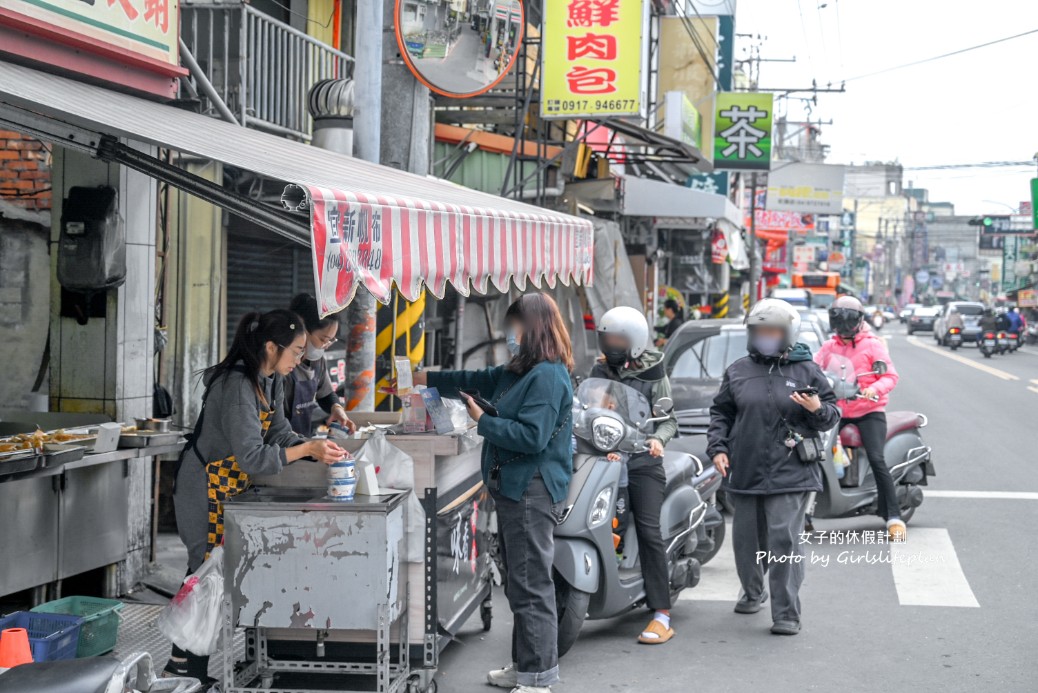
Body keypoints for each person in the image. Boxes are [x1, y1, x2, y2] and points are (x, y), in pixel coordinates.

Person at [163, 310, 347, 682]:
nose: (299, 359)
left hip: (230, 485)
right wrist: (305, 449)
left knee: (219, 574)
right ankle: (184, 668)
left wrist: (314, 447)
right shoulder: (237, 386)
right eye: (295, 351)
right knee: (202, 573)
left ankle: (190, 669)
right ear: (270, 346)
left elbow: (278, 434)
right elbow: (252, 456)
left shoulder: (271, 380)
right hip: (204, 486)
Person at [415, 293, 573, 693]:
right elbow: (474, 381)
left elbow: (532, 437)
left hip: (531, 490)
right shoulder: (521, 371)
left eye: (514, 327)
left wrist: (482, 421)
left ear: (532, 328)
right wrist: (427, 380)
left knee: (531, 584)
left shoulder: (549, 376)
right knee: (518, 583)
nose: (509, 335)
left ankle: (537, 679)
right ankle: (524, 667)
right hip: (513, 489)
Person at [707, 299, 840, 636]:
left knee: (784, 541)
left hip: (792, 471)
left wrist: (816, 408)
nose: (765, 337)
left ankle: (787, 613)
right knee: (746, 542)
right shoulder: (738, 370)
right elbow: (721, 413)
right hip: (747, 469)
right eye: (759, 331)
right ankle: (753, 591)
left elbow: (831, 414)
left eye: (772, 331)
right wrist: (718, 448)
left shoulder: (807, 370)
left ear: (787, 333)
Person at [592, 306, 678, 645]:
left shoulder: (654, 371)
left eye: (618, 339)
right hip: (605, 458)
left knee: (647, 529)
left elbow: (670, 420)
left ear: (636, 342)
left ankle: (661, 613)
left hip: (642, 461)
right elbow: (588, 407)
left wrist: (657, 440)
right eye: (607, 337)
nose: (611, 344)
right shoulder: (600, 368)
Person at [815, 295, 905, 541]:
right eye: (838, 321)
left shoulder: (873, 345)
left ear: (857, 321)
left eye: (848, 321)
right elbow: (813, 371)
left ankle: (894, 517)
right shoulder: (828, 346)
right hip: (836, 410)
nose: (843, 327)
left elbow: (890, 376)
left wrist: (873, 389)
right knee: (812, 452)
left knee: (877, 458)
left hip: (868, 411)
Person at [284, 293, 355, 436]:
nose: (326, 346)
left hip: (301, 439)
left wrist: (336, 409)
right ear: (302, 329)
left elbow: (325, 393)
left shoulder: (317, 360)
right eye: (323, 339)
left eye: (331, 341)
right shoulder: (281, 364)